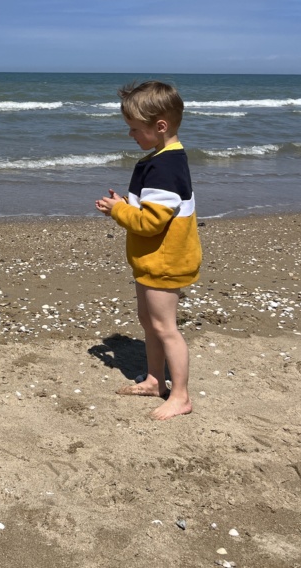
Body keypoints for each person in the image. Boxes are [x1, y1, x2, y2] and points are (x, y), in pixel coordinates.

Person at [95, 80, 201, 420]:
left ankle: (180, 395)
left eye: (135, 129)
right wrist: (126, 203)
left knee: (165, 326)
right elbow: (151, 209)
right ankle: (156, 380)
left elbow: (151, 223)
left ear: (160, 126)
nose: (131, 136)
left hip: (165, 262)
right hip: (150, 260)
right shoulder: (157, 160)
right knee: (148, 321)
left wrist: (119, 212)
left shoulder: (165, 167)